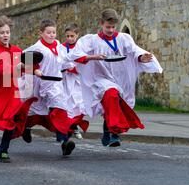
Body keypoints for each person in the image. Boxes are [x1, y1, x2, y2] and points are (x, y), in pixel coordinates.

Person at [66, 9, 163, 147]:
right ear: (101, 24)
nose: (111, 30)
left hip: (121, 77)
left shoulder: (124, 38)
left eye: (113, 27)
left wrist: (142, 58)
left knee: (115, 103)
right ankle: (113, 133)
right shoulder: (92, 40)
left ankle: (107, 129)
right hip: (101, 77)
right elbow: (74, 55)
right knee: (111, 94)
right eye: (107, 27)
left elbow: (134, 50)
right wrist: (93, 56)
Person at [19, 20, 96, 157]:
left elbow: (67, 58)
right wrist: (35, 70)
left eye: (53, 32)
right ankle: (25, 127)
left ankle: (65, 142)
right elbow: (25, 60)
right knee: (33, 113)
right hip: (37, 85)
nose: (51, 35)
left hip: (54, 85)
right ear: (41, 33)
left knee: (59, 111)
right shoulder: (36, 48)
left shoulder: (58, 46)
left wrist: (88, 58)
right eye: (48, 33)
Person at [0, 16, 38, 162]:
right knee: (1, 120)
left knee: (12, 120)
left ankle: (3, 149)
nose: (5, 35)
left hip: (13, 90)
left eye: (7, 32)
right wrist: (17, 67)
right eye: (1, 33)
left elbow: (29, 65)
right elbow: (0, 70)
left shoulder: (18, 50)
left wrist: (34, 69)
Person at [59, 23, 87, 139]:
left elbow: (86, 61)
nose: (69, 38)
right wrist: (66, 67)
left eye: (72, 36)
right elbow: (59, 61)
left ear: (77, 35)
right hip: (66, 79)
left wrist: (75, 68)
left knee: (79, 103)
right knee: (67, 103)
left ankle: (75, 124)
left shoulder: (82, 47)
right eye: (67, 36)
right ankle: (69, 128)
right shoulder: (61, 47)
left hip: (78, 79)